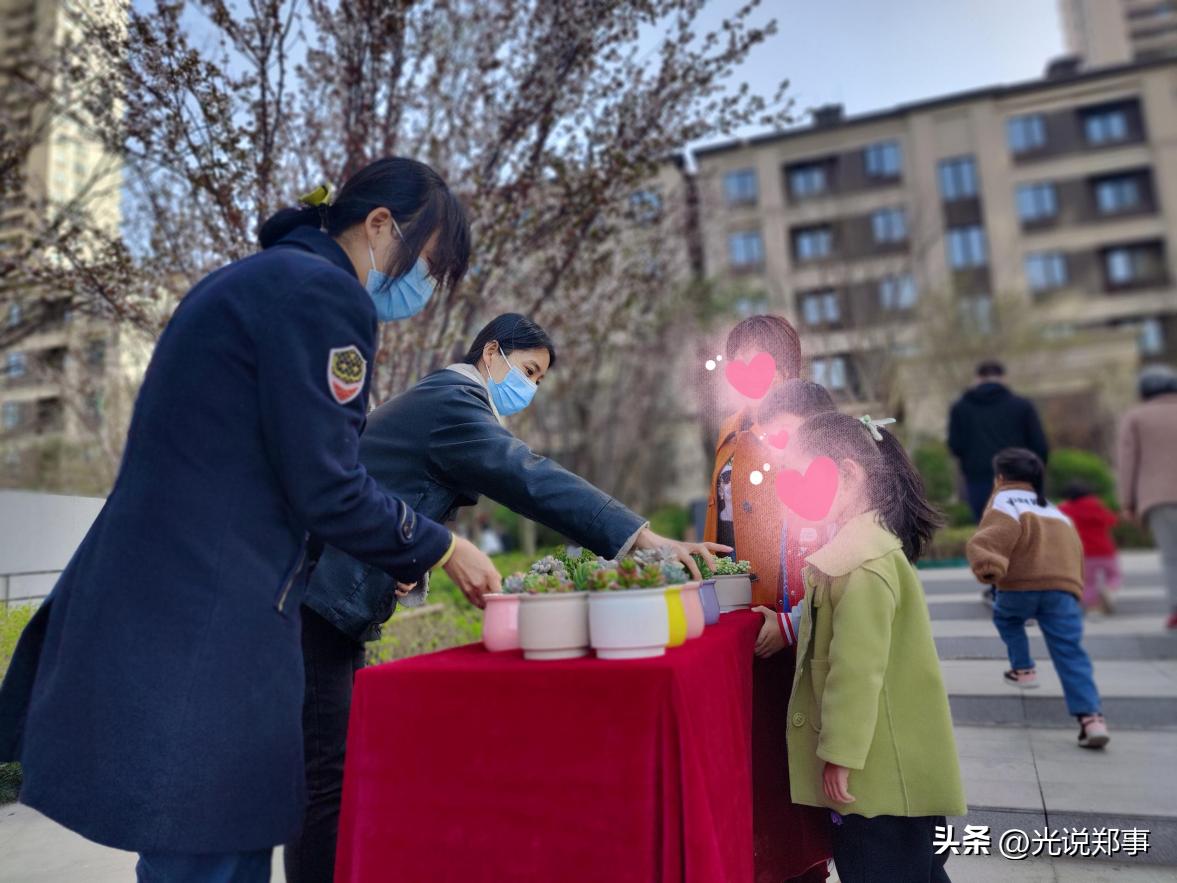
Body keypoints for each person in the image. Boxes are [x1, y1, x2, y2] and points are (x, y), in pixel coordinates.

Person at [0, 157, 502, 881]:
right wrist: (438, 548)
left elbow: (259, 468)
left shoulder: (256, 278)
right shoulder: (325, 296)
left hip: (174, 605)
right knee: (211, 855)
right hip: (210, 624)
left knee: (208, 848)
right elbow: (326, 482)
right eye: (425, 265)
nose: (422, 290)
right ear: (379, 225)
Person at [287, 313, 728, 883]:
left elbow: (395, 499)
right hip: (317, 602)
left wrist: (408, 564)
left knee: (334, 772)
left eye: (540, 380)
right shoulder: (453, 400)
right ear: (491, 353)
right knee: (326, 779)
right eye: (528, 370)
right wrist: (641, 536)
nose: (531, 388)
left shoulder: (446, 406)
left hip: (329, 601)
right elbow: (530, 476)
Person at [777, 412, 964, 883]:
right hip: (887, 768)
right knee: (916, 869)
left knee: (883, 869)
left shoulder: (860, 563)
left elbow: (856, 670)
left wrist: (839, 754)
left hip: (874, 777)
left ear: (849, 473)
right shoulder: (866, 549)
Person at [967, 448, 1109, 749]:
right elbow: (1074, 549)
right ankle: (1091, 719)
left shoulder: (1004, 499)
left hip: (1019, 586)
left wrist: (989, 568)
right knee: (1071, 653)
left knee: (1006, 618)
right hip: (1062, 590)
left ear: (1000, 477)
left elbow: (990, 538)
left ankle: (1023, 669)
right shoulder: (1054, 509)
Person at [703, 314, 804, 606]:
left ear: (784, 369)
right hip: (729, 577)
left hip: (785, 590)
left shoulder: (805, 429)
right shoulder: (729, 429)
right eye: (738, 359)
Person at [948, 360, 1050, 522]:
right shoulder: (1022, 406)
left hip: (978, 480)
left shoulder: (960, 408)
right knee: (1026, 533)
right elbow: (1039, 445)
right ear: (1003, 378)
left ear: (977, 379)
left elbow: (955, 446)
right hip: (1020, 479)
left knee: (988, 534)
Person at [1116, 364, 1177, 629]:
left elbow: (1128, 461)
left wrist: (1127, 502)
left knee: (1172, 557)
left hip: (1159, 496)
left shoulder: (1136, 417)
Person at [1058, 481, 1121, 614]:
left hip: (1082, 553)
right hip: (1105, 551)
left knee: (1088, 582)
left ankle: (1092, 607)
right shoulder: (1096, 505)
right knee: (1114, 575)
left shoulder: (1065, 509)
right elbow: (1112, 521)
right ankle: (1109, 590)